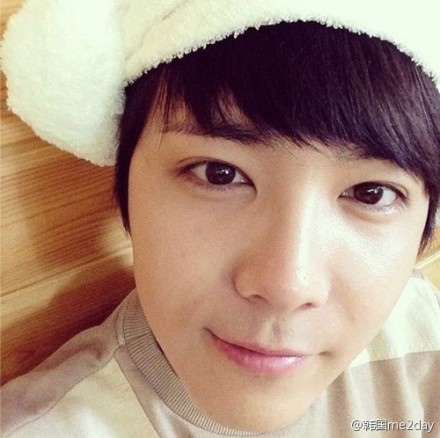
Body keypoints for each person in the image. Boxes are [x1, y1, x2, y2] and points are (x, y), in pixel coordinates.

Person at [1, 1, 439, 436]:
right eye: (219, 173)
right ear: (126, 190)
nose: (286, 288)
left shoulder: (422, 330)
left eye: (371, 193)